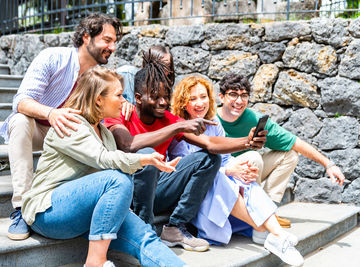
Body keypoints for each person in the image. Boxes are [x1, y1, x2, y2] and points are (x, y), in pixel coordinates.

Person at [21, 66, 186, 267]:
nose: (125, 100)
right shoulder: (71, 124)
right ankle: (95, 262)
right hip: (48, 212)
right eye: (119, 95)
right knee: (116, 179)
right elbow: (103, 159)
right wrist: (145, 160)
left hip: (88, 211)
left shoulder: (104, 132)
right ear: (99, 99)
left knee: (145, 235)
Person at [104, 54, 267, 252]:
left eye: (166, 97)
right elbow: (129, 145)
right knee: (146, 155)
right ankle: (143, 230)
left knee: (208, 158)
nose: (163, 102)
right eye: (156, 97)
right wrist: (175, 129)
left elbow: (209, 143)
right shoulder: (121, 114)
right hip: (129, 192)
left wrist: (247, 142)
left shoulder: (168, 118)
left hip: (160, 189)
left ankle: (175, 226)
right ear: (138, 98)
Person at [0, 13, 123, 240]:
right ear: (86, 37)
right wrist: (51, 113)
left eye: (114, 41)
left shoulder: (100, 77)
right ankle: (21, 209)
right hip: (41, 128)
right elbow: (21, 101)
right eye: (107, 40)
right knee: (19, 121)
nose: (112, 47)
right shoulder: (53, 58)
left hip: (71, 135)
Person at [169, 76, 304, 266]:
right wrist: (226, 170)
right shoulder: (179, 128)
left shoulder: (213, 123)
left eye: (203, 96)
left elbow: (224, 158)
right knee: (220, 176)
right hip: (197, 197)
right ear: (183, 102)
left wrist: (237, 169)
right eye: (192, 99)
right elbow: (189, 171)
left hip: (220, 194)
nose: (200, 103)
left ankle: (276, 234)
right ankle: (263, 228)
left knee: (244, 174)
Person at [216, 73, 346, 227]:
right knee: (253, 156)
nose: (239, 101)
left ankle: (268, 210)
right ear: (221, 97)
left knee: (289, 155)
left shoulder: (253, 118)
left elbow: (293, 142)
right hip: (221, 174)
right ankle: (254, 211)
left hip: (248, 172)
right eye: (233, 95)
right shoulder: (211, 119)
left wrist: (328, 164)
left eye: (244, 96)